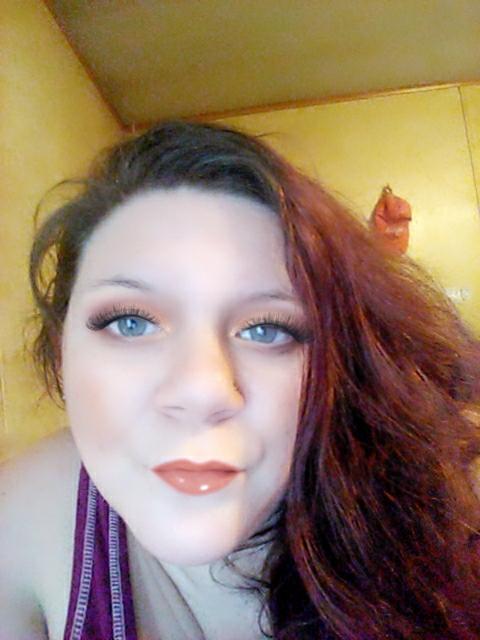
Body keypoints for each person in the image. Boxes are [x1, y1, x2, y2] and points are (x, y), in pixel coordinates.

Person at [1, 121, 480, 640]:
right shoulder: (21, 518)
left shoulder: (446, 511)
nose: (203, 390)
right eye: (130, 322)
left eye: (266, 329)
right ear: (62, 353)